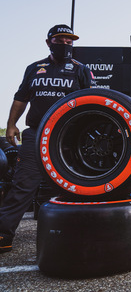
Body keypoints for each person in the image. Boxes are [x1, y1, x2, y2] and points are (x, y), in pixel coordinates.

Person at [0, 24, 95, 253]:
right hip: (35, 133)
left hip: (67, 136)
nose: (65, 44)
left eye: (69, 41)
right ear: (48, 42)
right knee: (24, 183)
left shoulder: (81, 70)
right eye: (60, 40)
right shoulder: (34, 68)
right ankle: (3, 233)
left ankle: (69, 234)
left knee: (68, 185)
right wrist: (11, 125)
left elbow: (92, 102)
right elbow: (21, 98)